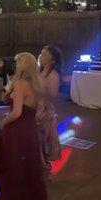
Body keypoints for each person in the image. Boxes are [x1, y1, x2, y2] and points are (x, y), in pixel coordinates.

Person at [0, 53, 58, 200]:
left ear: (22, 65)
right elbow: (38, 110)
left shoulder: (21, 84)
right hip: (30, 130)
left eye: (17, 63)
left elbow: (16, 113)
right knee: (28, 168)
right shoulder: (36, 84)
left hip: (17, 131)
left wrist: (3, 123)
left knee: (12, 168)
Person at [38, 46, 63, 177]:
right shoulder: (39, 71)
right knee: (37, 141)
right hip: (36, 108)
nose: (40, 57)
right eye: (41, 54)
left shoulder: (53, 75)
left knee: (43, 141)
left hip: (45, 111)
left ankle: (45, 170)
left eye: (43, 55)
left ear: (51, 60)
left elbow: (52, 96)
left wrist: (39, 96)